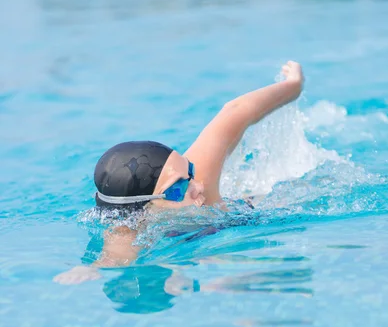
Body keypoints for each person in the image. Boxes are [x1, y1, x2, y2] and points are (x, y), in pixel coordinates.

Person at [54, 61, 304, 286]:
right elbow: (114, 257)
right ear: (143, 207)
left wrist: (294, 85)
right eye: (179, 187)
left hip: (246, 210)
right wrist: (90, 269)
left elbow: (235, 111)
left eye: (190, 170)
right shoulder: (127, 229)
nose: (198, 186)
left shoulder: (200, 179)